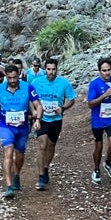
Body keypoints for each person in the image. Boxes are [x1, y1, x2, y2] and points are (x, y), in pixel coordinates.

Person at [0, 63, 41, 199]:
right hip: (6, 126)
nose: (12, 80)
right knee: (8, 152)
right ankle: (9, 186)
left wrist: (38, 119)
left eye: (14, 77)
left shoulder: (28, 87)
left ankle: (16, 174)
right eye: (9, 78)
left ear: (19, 75)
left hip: (22, 126)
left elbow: (38, 105)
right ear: (6, 76)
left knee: (20, 155)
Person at [28, 57, 76, 191]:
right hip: (42, 118)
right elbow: (31, 99)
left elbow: (72, 99)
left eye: (53, 69)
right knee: (42, 145)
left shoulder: (64, 83)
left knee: (51, 146)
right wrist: (35, 113)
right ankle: (41, 176)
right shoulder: (37, 82)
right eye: (48, 69)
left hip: (56, 119)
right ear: (45, 69)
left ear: (57, 69)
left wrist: (63, 108)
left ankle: (46, 167)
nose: (51, 72)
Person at [86, 57, 111, 184]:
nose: (107, 73)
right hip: (97, 120)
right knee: (99, 145)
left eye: (109, 70)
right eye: (104, 70)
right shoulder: (94, 84)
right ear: (99, 71)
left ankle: (108, 163)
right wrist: (104, 95)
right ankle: (96, 169)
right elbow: (90, 104)